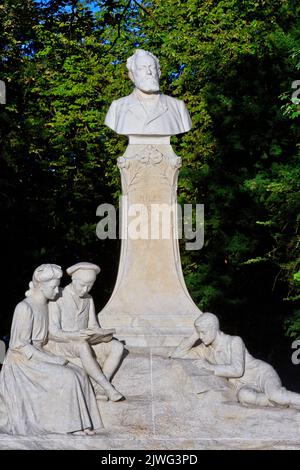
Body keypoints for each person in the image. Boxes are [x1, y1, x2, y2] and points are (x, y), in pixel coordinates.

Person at [0, 264, 103, 435]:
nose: (57, 291)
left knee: (80, 373)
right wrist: (53, 360)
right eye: (53, 287)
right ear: (40, 286)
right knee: (67, 377)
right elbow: (20, 346)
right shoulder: (24, 308)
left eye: (57, 285)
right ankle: (71, 426)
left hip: (40, 354)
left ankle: (86, 424)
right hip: (22, 363)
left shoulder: (46, 305)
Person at [170, 312, 300, 409]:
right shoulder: (205, 350)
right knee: (244, 396)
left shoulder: (234, 341)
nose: (201, 336)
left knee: (276, 395)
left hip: (259, 374)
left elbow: (237, 370)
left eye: (203, 332)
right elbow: (177, 355)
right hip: (244, 385)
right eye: (199, 333)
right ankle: (275, 403)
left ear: (214, 328)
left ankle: (278, 399)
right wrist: (193, 336)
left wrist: (210, 367)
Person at [46, 262, 125, 402]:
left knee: (117, 346)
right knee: (82, 345)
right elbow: (53, 332)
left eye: (89, 286)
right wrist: (74, 336)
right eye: (82, 285)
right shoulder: (58, 297)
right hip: (62, 343)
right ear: (73, 279)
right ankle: (107, 388)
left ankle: (100, 386)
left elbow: (93, 325)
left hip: (84, 340)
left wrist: (102, 334)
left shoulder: (89, 299)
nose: (85, 289)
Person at [104, 49, 192, 136]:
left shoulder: (177, 107)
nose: (149, 72)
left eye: (152, 67)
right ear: (132, 75)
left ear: (159, 73)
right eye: (142, 68)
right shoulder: (117, 107)